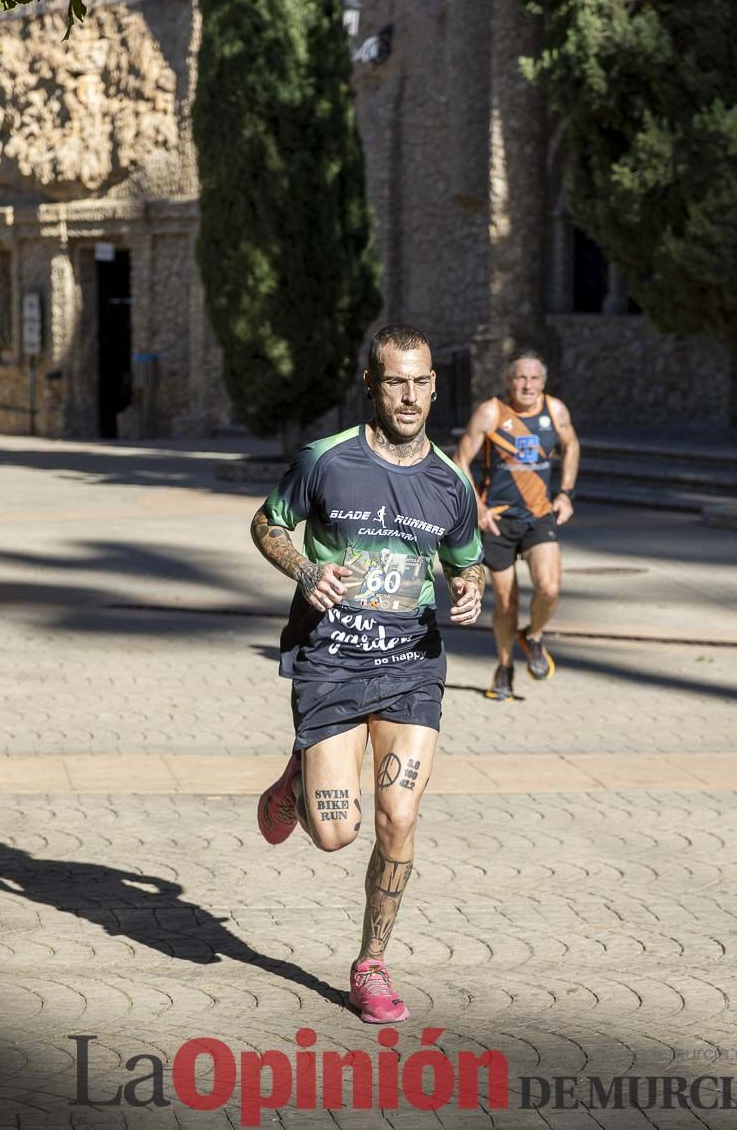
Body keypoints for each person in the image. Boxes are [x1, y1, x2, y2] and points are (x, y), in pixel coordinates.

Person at [252, 324, 484, 1024]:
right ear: (371, 386)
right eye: (394, 381)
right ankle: (299, 773)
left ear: (434, 385)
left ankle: (371, 964)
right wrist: (306, 569)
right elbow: (268, 523)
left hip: (412, 666)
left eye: (420, 382)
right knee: (334, 833)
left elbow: (465, 557)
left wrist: (471, 586)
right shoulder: (326, 460)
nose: (408, 396)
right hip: (330, 663)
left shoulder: (451, 482)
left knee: (400, 816)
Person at [453, 349, 580, 700]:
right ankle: (505, 666)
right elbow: (460, 459)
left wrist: (565, 493)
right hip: (498, 520)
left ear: (543, 381)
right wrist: (475, 506)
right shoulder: (491, 412)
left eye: (534, 378)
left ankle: (534, 635)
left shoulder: (555, 411)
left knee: (550, 588)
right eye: (520, 378)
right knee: (506, 603)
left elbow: (571, 446)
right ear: (509, 381)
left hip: (539, 516)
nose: (527, 385)